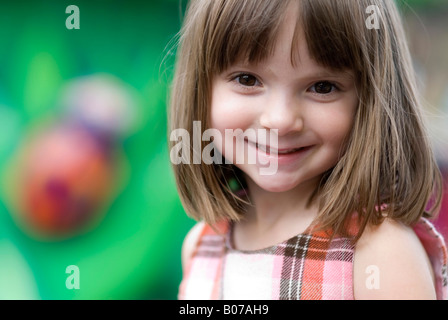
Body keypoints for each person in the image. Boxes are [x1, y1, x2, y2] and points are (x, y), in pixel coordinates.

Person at [169, 0, 447, 300]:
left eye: (322, 87)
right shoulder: (201, 245)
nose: (281, 120)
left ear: (370, 102)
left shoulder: (381, 252)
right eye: (247, 79)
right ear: (201, 88)